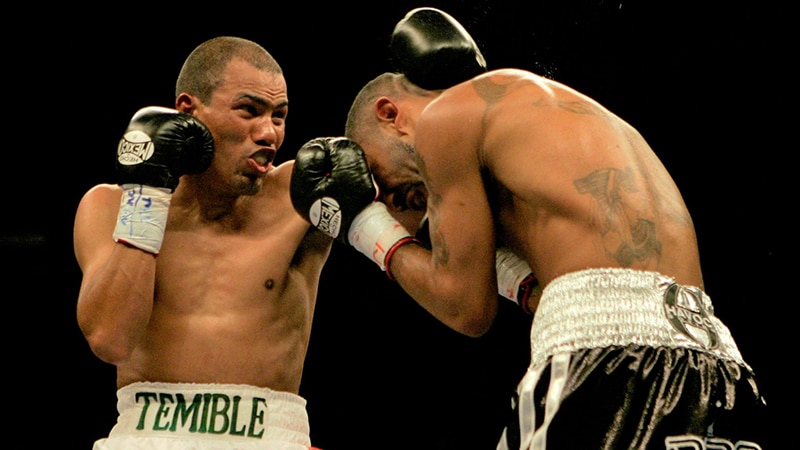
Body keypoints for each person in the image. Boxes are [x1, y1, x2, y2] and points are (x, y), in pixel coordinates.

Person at [291, 9, 769, 449]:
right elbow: (577, 288)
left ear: (390, 114)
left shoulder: (444, 120)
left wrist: (365, 224)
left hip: (600, 360)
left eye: (387, 188)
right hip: (717, 364)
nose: (402, 207)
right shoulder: (556, 114)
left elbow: (465, 309)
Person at [73, 36, 331, 450]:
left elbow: (410, 195)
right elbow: (110, 339)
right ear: (188, 112)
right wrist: (149, 193)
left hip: (268, 436)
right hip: (144, 435)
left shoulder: (300, 195)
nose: (269, 133)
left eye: (279, 116)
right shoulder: (109, 206)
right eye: (249, 110)